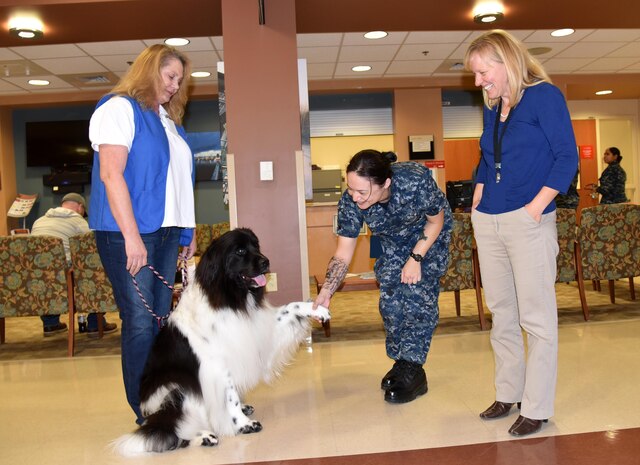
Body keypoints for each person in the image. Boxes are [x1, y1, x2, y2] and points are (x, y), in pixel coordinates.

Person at [464, 30, 578, 437]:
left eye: (482, 72)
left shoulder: (545, 97)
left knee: (537, 318)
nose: (478, 82)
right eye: (475, 75)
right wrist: (478, 195)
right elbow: (487, 156)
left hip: (528, 221)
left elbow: (567, 157)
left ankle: (537, 406)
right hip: (489, 219)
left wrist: (535, 207)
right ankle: (508, 392)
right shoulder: (494, 108)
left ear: (506, 61)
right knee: (503, 314)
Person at [88, 44, 197, 425]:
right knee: (138, 320)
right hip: (127, 234)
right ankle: (145, 411)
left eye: (179, 80)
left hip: (166, 232)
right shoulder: (117, 108)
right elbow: (110, 174)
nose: (174, 85)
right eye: (169, 77)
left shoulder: (167, 120)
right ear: (149, 71)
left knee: (158, 319)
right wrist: (132, 237)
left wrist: (187, 231)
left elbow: (180, 183)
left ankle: (161, 398)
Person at [314, 149, 452, 404]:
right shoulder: (351, 201)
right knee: (390, 305)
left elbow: (436, 221)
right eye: (351, 189)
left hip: (430, 236)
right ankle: (402, 362)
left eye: (362, 192)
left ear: (385, 183)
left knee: (417, 298)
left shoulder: (414, 180)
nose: (355, 197)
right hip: (393, 242)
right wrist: (326, 291)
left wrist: (416, 259)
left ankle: (413, 368)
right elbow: (344, 252)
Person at [31, 193, 117, 337]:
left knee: (48, 270)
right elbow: (91, 249)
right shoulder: (78, 221)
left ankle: (50, 323)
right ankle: (95, 323)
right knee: (93, 268)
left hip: (37, 277)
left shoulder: (38, 221)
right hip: (66, 275)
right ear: (80, 207)